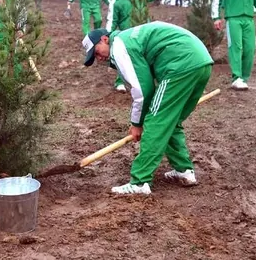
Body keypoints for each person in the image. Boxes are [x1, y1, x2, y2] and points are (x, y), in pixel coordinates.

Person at [82, 21, 214, 194]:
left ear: (105, 39)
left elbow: (142, 90)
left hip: (179, 66)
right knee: (169, 121)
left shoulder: (120, 45)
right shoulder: (129, 39)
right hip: (200, 62)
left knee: (155, 122)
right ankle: (184, 171)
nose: (99, 59)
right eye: (94, 58)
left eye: (96, 52)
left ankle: (139, 182)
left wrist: (137, 123)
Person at [106, 0, 176, 92]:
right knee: (124, 58)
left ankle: (151, 83)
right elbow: (112, 20)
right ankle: (120, 82)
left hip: (144, 32)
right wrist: (108, 35)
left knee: (148, 57)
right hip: (127, 34)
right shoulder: (116, 2)